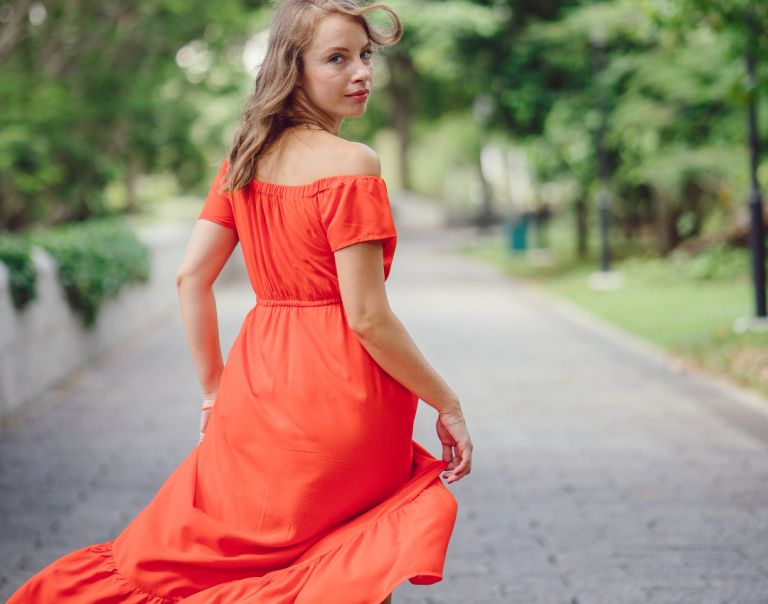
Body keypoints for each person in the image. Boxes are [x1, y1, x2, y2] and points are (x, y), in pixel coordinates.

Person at [7, 0, 472, 602]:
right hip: (345, 398)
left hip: (256, 390)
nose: (362, 72)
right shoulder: (354, 163)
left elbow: (190, 279)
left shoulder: (244, 161)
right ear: (292, 69)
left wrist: (213, 389)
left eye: (365, 55)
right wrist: (446, 401)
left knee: (234, 563)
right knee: (348, 569)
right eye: (336, 58)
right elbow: (366, 316)